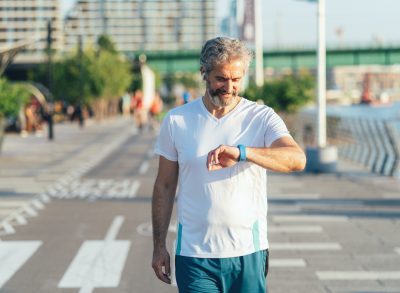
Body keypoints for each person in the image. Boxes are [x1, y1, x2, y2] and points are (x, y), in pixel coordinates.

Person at [151, 37, 306, 293]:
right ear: (204, 72)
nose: (229, 87)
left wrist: (243, 153)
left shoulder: (261, 117)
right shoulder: (176, 120)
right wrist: (158, 246)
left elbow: (296, 159)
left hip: (248, 251)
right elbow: (164, 186)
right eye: (221, 78)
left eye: (236, 79)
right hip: (194, 254)